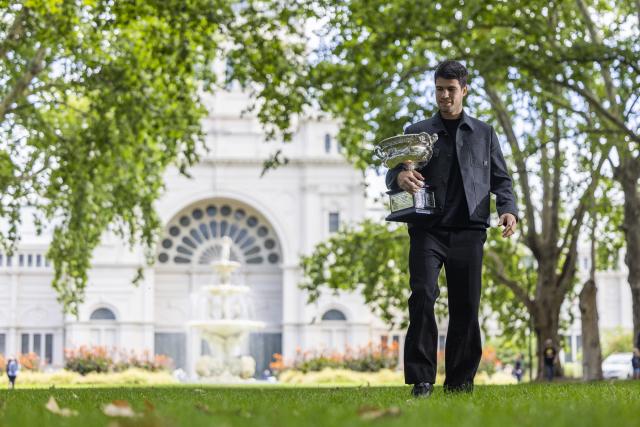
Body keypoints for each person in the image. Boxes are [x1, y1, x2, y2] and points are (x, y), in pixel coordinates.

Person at [386, 60, 518, 398]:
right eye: (439, 89)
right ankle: (422, 380)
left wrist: (508, 210)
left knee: (466, 306)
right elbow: (394, 172)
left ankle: (459, 382)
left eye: (451, 89)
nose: (444, 96)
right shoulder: (417, 131)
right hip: (427, 229)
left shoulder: (485, 133)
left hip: (470, 230)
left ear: (464, 90)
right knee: (423, 296)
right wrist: (400, 177)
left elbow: (502, 180)